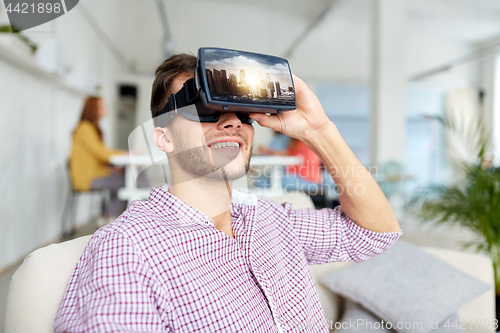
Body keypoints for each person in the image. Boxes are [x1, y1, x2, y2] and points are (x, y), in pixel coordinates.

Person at [54, 54, 402, 332]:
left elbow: (374, 235)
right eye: (206, 109)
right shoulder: (129, 249)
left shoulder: (271, 219)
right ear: (164, 138)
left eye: (240, 112)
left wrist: (319, 131)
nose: (231, 121)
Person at [69, 96, 127, 218]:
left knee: (128, 178)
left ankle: (110, 216)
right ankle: (108, 216)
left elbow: (96, 156)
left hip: (95, 175)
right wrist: (124, 153)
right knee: (127, 182)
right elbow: (101, 153)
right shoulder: (85, 128)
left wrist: (110, 168)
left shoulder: (92, 129)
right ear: (93, 109)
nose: (105, 109)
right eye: (101, 106)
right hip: (87, 179)